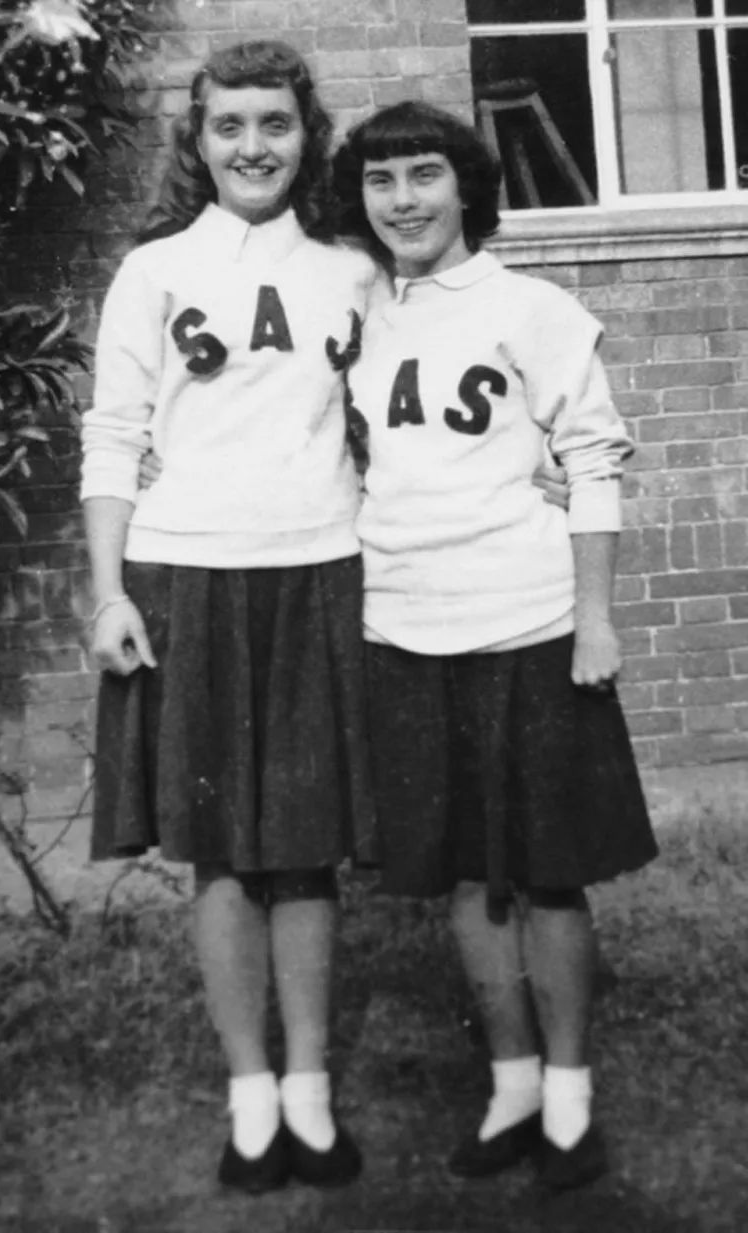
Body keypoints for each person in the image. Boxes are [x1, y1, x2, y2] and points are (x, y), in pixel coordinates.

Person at [332, 101, 658, 1193]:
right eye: (381, 181)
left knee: (549, 876)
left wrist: (595, 617)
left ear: (466, 185)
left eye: (425, 174)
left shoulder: (533, 308)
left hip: (527, 623)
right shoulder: (357, 313)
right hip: (403, 626)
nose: (404, 201)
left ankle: (569, 1097)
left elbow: (593, 460)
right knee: (468, 876)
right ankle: (511, 1083)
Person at [80, 40, 378, 1195]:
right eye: (228, 126)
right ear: (196, 141)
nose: (253, 146)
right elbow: (113, 436)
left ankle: (309, 1087)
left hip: (318, 568)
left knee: (304, 849)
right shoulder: (153, 270)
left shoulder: (350, 269)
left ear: (307, 135)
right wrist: (110, 590)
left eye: (275, 124)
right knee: (218, 851)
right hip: (186, 575)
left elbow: (397, 419)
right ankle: (249, 1093)